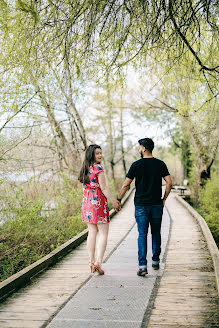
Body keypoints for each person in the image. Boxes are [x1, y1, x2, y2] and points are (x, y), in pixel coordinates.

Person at [117, 138, 172, 276]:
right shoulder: (160, 164)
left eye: (139, 147)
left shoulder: (136, 165)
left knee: (142, 234)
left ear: (143, 148)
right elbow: (169, 183)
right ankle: (155, 261)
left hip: (141, 205)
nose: (139, 149)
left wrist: (119, 199)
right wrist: (164, 199)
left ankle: (142, 266)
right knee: (156, 232)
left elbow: (126, 184)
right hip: (156, 205)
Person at [78, 144, 120, 275]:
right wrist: (114, 202)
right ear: (91, 154)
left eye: (101, 153)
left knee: (91, 232)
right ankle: (98, 262)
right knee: (103, 233)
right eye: (97, 153)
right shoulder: (98, 168)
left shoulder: (84, 168)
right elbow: (104, 188)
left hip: (86, 203)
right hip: (98, 204)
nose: (100, 155)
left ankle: (90, 262)